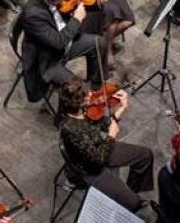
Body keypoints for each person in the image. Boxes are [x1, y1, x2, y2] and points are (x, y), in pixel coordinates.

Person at [58, 76, 153, 211]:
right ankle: (129, 200)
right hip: (90, 168)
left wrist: (121, 108)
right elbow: (99, 159)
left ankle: (131, 190)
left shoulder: (83, 110)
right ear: (78, 102)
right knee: (133, 203)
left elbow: (105, 123)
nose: (91, 94)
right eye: (87, 94)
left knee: (145, 155)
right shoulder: (72, 130)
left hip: (99, 146)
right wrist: (111, 136)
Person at [20, 0, 103, 101]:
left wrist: (95, 2)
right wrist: (76, 20)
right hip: (47, 59)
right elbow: (58, 42)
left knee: (98, 42)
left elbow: (70, 9)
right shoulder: (33, 15)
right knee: (76, 90)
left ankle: (94, 85)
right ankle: (63, 117)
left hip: (64, 42)